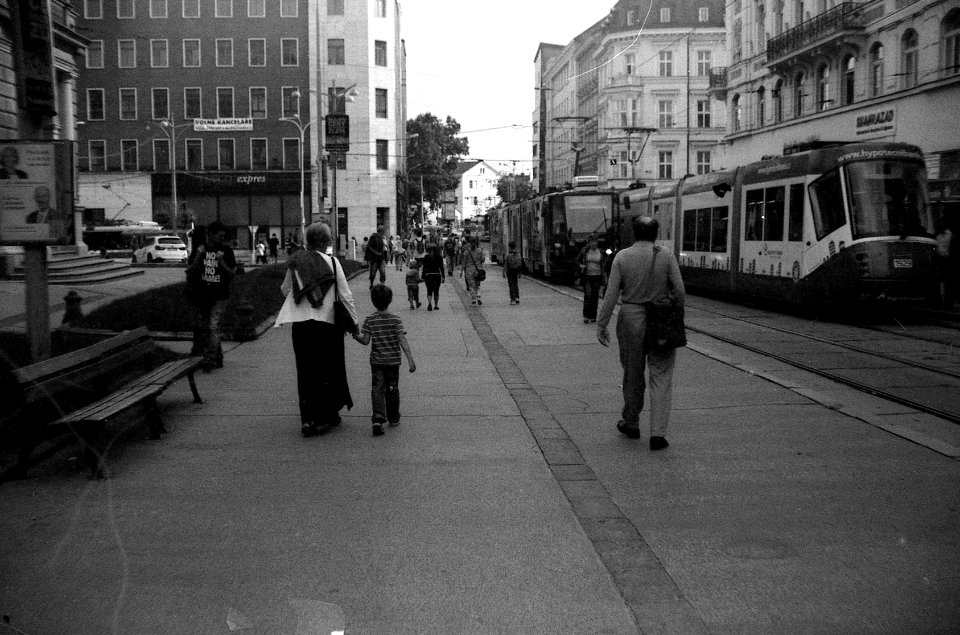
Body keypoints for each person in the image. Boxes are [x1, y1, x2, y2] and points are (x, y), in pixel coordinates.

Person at [597, 217, 685, 451]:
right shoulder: (665, 255)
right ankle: (658, 435)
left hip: (630, 319)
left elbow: (611, 294)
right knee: (661, 376)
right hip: (661, 321)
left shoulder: (622, 257)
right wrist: (673, 314)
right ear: (656, 234)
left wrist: (602, 323)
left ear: (634, 234)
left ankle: (632, 423)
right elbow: (679, 290)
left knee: (633, 374)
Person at [275, 222, 358, 438]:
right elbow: (346, 296)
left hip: (301, 325)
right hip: (327, 324)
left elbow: (285, 289)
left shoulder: (297, 262)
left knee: (305, 371)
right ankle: (326, 417)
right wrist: (354, 324)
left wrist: (303, 301)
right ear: (326, 242)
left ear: (309, 241)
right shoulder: (332, 262)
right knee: (327, 370)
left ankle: (308, 420)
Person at [352, 284, 416, 437]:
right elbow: (402, 339)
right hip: (393, 362)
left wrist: (355, 335)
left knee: (377, 389)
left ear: (373, 301)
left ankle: (378, 418)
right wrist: (410, 359)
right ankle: (393, 417)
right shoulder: (396, 320)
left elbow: (366, 341)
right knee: (393, 389)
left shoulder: (370, 320)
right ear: (390, 300)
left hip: (377, 363)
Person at [184, 221, 237, 372]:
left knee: (213, 326)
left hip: (220, 295)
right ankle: (218, 356)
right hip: (203, 295)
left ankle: (210, 359)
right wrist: (198, 256)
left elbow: (232, 273)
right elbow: (189, 271)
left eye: (223, 236)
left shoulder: (226, 251)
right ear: (211, 235)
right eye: (219, 236)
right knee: (208, 327)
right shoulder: (200, 250)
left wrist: (221, 262)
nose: (222, 239)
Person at [577, 234, 607, 323]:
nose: (594, 244)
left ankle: (593, 316)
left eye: (595, 242)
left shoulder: (601, 251)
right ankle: (586, 316)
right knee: (588, 295)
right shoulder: (584, 251)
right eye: (592, 242)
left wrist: (604, 274)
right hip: (587, 276)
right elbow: (577, 259)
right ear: (589, 243)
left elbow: (607, 259)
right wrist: (581, 265)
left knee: (595, 296)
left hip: (597, 276)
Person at [461, 236, 486, 306]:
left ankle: (473, 300)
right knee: (477, 284)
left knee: (471, 286)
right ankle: (478, 296)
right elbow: (483, 260)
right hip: (478, 270)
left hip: (469, 271)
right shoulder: (480, 251)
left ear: (469, 243)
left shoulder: (466, 252)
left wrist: (461, 271)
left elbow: (464, 262)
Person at [421, 245, 446, 311]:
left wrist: (422, 276)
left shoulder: (426, 257)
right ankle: (436, 305)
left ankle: (429, 303)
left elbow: (424, 267)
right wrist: (443, 276)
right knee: (436, 291)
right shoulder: (439, 257)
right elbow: (441, 267)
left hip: (428, 275)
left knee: (429, 290)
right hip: (437, 275)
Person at [503, 240, 523, 305]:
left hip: (510, 271)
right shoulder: (518, 255)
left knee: (511, 285)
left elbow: (505, 264)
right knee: (516, 284)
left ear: (509, 247)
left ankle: (513, 299)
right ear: (515, 246)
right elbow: (520, 264)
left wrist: (503, 272)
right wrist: (520, 273)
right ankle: (517, 297)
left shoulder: (508, 255)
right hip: (516, 271)